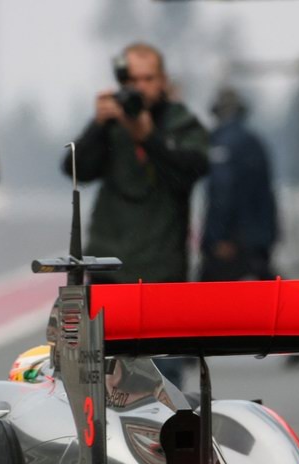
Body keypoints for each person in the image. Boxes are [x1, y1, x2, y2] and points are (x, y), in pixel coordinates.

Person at [61, 43, 208, 387]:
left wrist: (149, 138)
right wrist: (97, 126)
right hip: (110, 269)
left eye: (148, 78)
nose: (139, 87)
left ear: (163, 82)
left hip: (162, 273)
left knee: (165, 381)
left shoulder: (181, 122)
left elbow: (191, 171)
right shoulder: (112, 123)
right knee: (105, 377)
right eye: (131, 79)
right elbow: (75, 168)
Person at [199, 87, 279, 282]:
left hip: (232, 244)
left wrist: (217, 237)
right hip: (257, 239)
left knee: (206, 304)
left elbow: (222, 191)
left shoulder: (222, 143)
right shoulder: (254, 142)